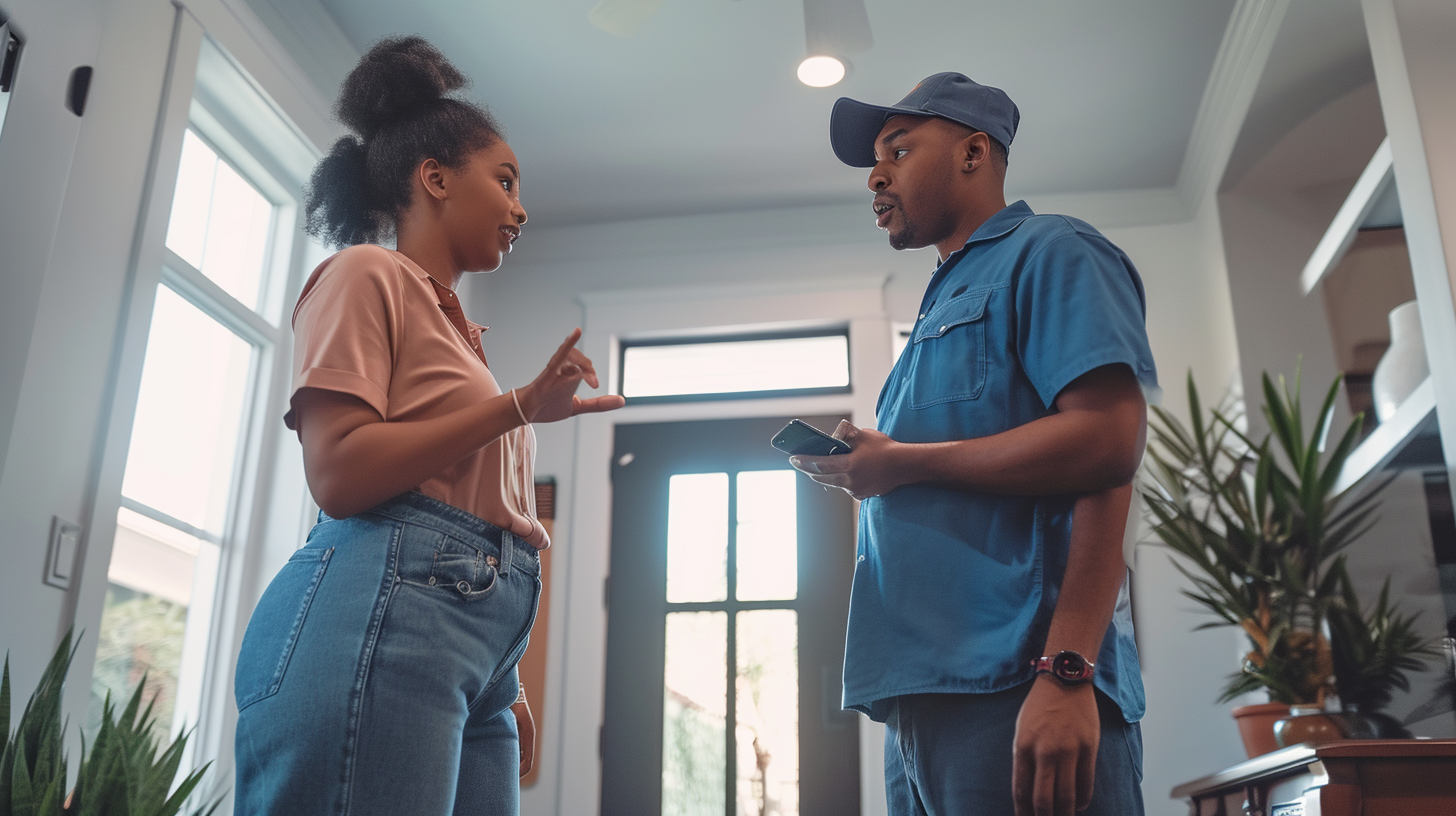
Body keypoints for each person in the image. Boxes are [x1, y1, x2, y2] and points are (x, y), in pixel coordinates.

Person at [232, 37, 623, 815]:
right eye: (505, 180)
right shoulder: (363, 273)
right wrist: (515, 406)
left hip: (471, 657)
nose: (521, 207)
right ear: (435, 178)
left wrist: (501, 677)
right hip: (376, 625)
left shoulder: (461, 336)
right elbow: (339, 473)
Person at [789, 73, 1156, 816]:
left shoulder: (1054, 250)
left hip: (1021, 683)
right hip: (919, 705)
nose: (875, 173)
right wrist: (877, 465)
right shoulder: (938, 308)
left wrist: (1069, 669)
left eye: (898, 148)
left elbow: (1107, 446)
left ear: (973, 153)